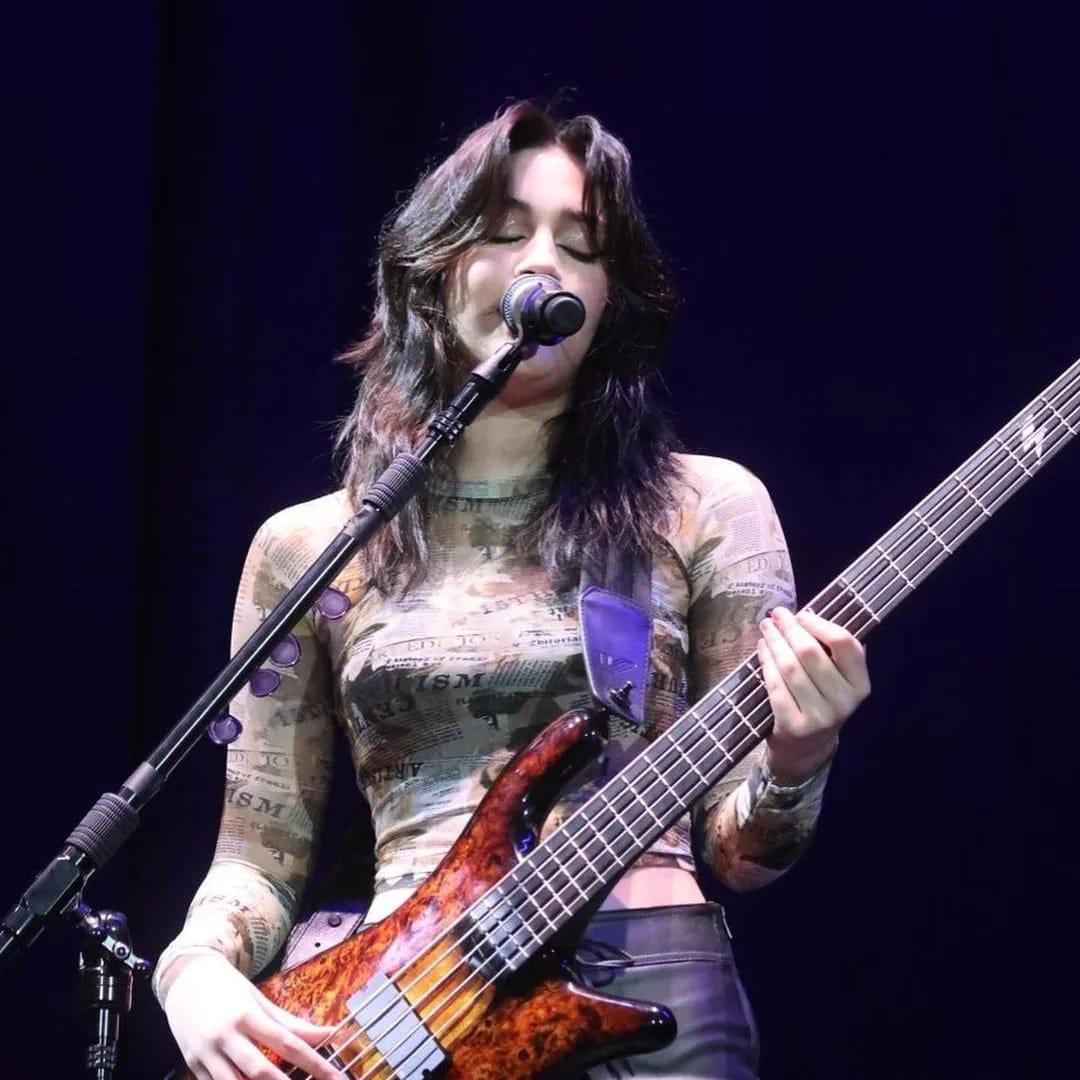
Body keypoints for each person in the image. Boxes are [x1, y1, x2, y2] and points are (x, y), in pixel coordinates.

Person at [154, 101, 870, 1080]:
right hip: (400, 1014)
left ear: (608, 297)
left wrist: (799, 756)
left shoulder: (705, 508)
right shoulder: (308, 547)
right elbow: (257, 859)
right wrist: (194, 973)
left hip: (646, 975)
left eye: (580, 246)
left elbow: (745, 852)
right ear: (432, 270)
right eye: (504, 232)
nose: (544, 262)